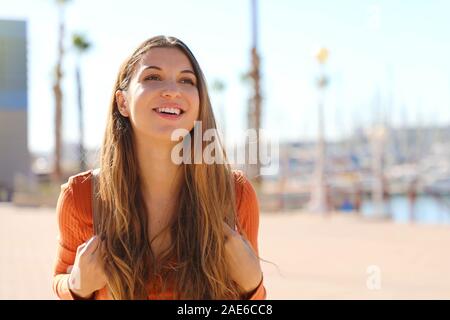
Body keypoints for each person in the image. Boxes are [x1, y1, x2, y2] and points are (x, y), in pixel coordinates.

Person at [52, 36, 266, 300]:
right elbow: (61, 277)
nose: (172, 90)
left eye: (187, 80)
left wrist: (253, 284)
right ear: (122, 103)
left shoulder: (235, 194)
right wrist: (77, 286)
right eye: (153, 77)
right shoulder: (81, 196)